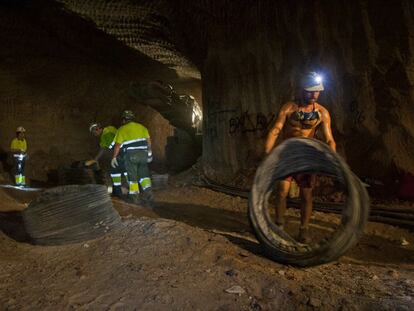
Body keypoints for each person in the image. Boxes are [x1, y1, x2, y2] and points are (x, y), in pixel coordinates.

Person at [265, 71, 336, 242]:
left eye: (317, 91)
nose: (314, 94)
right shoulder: (289, 108)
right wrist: (267, 154)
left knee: (306, 195)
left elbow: (329, 139)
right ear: (301, 90)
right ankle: (279, 226)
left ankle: (304, 230)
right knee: (282, 191)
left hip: (306, 157)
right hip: (288, 154)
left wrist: (332, 159)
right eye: (310, 91)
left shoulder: (322, 112)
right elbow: (276, 130)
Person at [111, 110, 154, 206]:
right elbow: (149, 142)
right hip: (144, 154)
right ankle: (149, 196)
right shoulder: (143, 127)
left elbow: (117, 145)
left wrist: (114, 157)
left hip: (131, 155)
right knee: (144, 175)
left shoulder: (122, 129)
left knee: (132, 177)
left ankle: (135, 199)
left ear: (124, 120)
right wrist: (150, 154)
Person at [87, 123, 127, 197]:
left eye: (94, 132)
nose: (94, 135)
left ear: (97, 129)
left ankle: (122, 193)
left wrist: (114, 157)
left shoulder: (106, 133)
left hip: (121, 153)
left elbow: (114, 145)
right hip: (123, 152)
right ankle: (116, 191)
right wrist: (96, 159)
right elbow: (103, 148)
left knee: (118, 172)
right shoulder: (109, 129)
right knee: (115, 172)